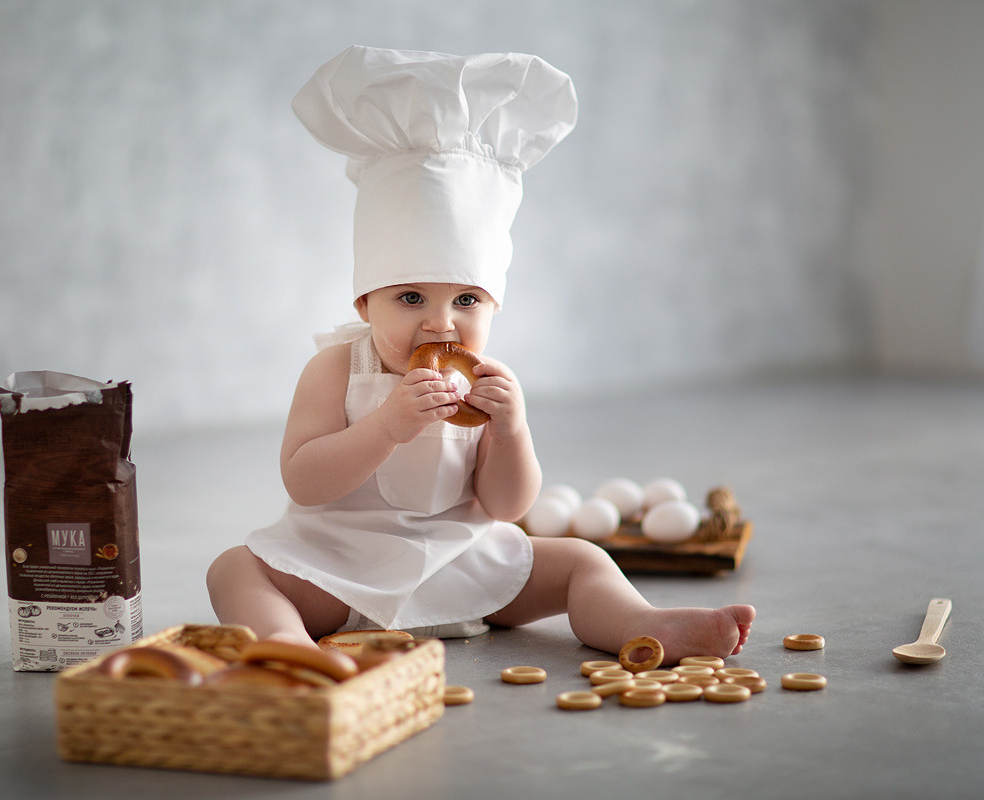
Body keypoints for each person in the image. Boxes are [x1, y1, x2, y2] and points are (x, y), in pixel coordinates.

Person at [206, 46, 754, 665]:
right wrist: (387, 426)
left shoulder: (488, 384)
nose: (440, 322)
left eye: (466, 299)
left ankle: (642, 622)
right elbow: (303, 483)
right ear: (365, 304)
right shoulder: (337, 368)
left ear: (495, 308)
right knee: (234, 570)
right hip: (337, 567)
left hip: (459, 566)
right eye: (410, 297)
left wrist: (512, 430)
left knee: (582, 559)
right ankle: (286, 644)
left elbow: (507, 507)